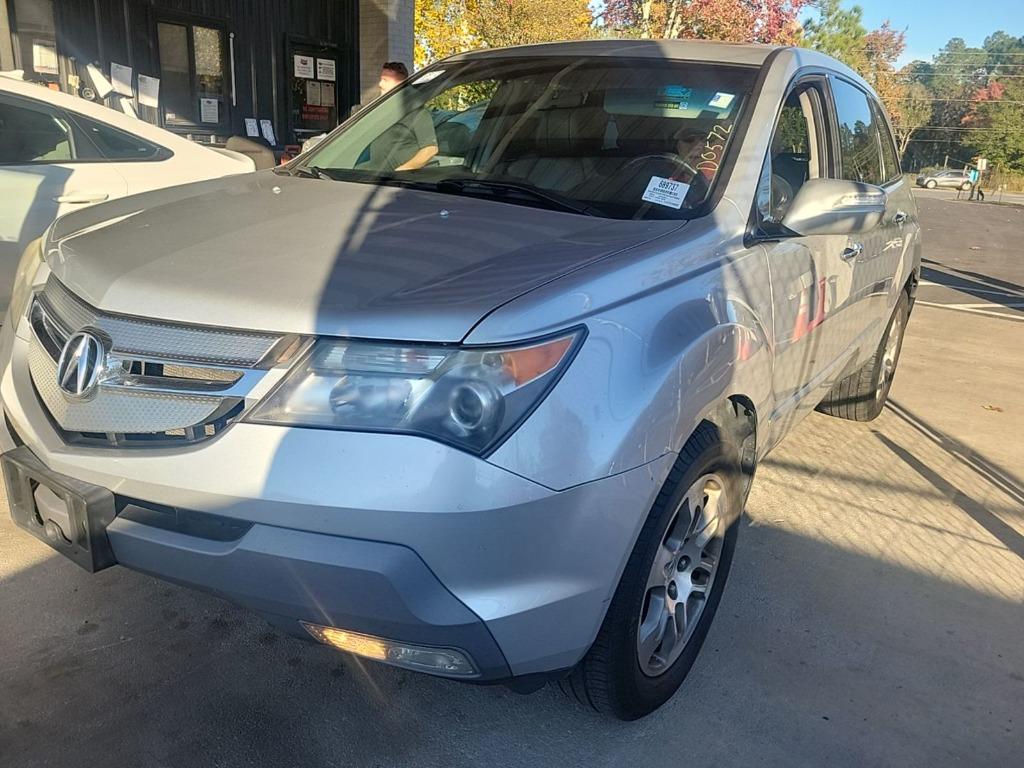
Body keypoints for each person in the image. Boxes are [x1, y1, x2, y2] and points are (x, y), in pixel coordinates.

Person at [367, 61, 438, 172]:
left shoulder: (417, 113)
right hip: (373, 180)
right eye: (381, 79)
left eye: (385, 80)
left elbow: (430, 149)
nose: (380, 84)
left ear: (400, 85)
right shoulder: (378, 112)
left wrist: (403, 170)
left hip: (402, 182)